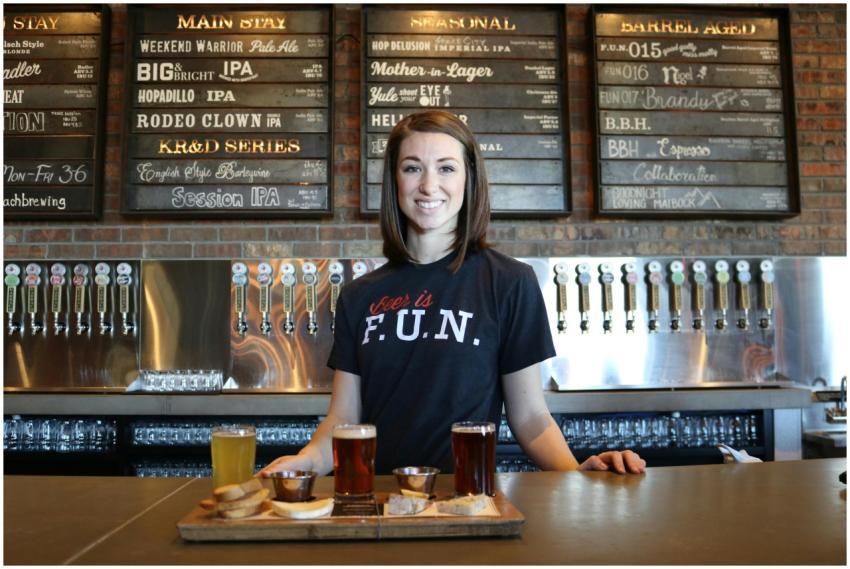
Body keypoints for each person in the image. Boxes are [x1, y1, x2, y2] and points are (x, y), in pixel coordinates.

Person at [260, 110, 645, 478]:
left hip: (468, 500)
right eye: (413, 168)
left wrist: (576, 473)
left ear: (468, 179)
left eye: (446, 168)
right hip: (379, 502)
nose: (429, 185)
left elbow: (530, 417)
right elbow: (343, 419)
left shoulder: (510, 282)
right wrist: (305, 461)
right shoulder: (359, 296)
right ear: (395, 180)